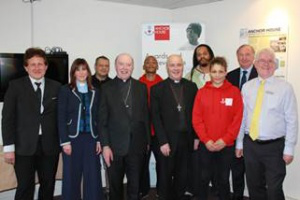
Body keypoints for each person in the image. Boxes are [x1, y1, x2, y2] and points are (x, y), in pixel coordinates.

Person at [236, 48, 298, 200]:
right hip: (250, 145)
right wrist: (239, 143)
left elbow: (292, 119)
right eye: (262, 61)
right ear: (255, 64)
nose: (266, 64)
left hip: (274, 148)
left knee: (274, 189)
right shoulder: (247, 87)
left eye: (270, 61)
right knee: (254, 186)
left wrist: (289, 148)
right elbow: (242, 117)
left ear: (275, 65)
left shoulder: (285, 88)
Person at [2, 47, 61, 200]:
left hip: (50, 147)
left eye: (40, 64)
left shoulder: (57, 87)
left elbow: (62, 117)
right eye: (33, 64)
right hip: (23, 147)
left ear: (46, 66)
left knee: (48, 185)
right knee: (25, 187)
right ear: (26, 67)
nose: (37, 68)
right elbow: (7, 118)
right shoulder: (15, 86)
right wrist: (8, 147)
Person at [99, 53, 150, 200]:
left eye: (128, 64)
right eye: (121, 64)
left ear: (133, 67)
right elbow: (102, 120)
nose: (124, 68)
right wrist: (105, 146)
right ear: (115, 66)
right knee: (115, 188)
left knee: (135, 188)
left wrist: (147, 141)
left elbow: (145, 116)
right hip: (114, 147)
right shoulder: (106, 88)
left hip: (137, 146)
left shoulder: (141, 87)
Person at [193, 57, 243, 200]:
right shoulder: (202, 92)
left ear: (226, 72)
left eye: (221, 71)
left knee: (223, 180)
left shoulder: (234, 92)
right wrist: (206, 140)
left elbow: (237, 119)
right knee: (203, 178)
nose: (217, 75)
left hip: (225, 146)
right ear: (210, 72)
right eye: (214, 71)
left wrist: (225, 140)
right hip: (206, 144)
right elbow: (197, 119)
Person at [151, 54, 198, 200]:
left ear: (183, 66)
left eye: (178, 65)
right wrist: (162, 141)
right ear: (167, 67)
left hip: (186, 139)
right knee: (165, 176)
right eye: (172, 65)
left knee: (182, 176)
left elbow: (196, 114)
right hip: (167, 140)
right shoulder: (157, 88)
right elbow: (155, 117)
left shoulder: (192, 87)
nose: (176, 68)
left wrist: (196, 137)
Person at [57, 58, 103, 200]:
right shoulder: (65, 90)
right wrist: (64, 142)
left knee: (93, 176)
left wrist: (99, 140)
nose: (82, 72)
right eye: (78, 69)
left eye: (84, 69)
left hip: (91, 139)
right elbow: (61, 116)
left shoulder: (95, 91)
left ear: (89, 72)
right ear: (73, 72)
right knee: (71, 176)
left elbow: (99, 118)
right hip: (72, 140)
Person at [226, 44, 257, 200]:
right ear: (237, 57)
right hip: (233, 130)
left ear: (253, 56)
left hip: (253, 132)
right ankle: (237, 196)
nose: (244, 58)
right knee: (236, 170)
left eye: (247, 54)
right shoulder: (230, 76)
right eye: (241, 55)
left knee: (255, 173)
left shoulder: (261, 75)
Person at [184, 44, 215, 198]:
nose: (202, 56)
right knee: (198, 165)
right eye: (198, 54)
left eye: (205, 53)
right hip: (198, 127)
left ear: (210, 55)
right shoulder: (189, 76)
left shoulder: (218, 73)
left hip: (217, 126)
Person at [139, 55, 163, 199]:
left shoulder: (163, 83)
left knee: (162, 163)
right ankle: (144, 190)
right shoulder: (138, 83)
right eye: (148, 62)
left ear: (157, 66)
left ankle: (162, 189)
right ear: (143, 66)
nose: (151, 64)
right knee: (143, 163)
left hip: (159, 132)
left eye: (154, 62)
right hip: (144, 132)